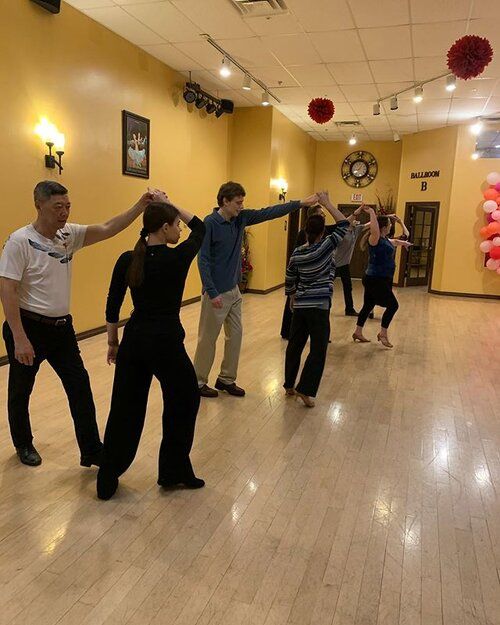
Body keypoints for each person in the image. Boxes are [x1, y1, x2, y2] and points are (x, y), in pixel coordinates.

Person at [0, 180, 158, 467]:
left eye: (68, 206)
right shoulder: (19, 241)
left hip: (61, 329)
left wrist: (140, 205)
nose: (64, 213)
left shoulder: (67, 235)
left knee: (80, 387)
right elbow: (7, 289)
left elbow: (108, 227)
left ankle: (91, 450)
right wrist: (19, 338)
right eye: (58, 206)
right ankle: (23, 444)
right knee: (21, 390)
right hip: (28, 327)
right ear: (39, 205)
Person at [97, 197, 206, 500]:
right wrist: (169, 201)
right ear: (163, 227)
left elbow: (112, 304)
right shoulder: (177, 257)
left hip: (134, 341)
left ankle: (107, 476)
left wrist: (112, 342)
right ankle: (173, 470)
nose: (181, 230)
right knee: (184, 400)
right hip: (166, 342)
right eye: (176, 225)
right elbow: (202, 227)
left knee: (124, 409)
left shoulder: (127, 258)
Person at [194, 181, 318, 398]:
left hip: (233, 291)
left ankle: (226, 379)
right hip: (216, 294)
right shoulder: (210, 223)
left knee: (236, 337)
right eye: (238, 202)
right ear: (224, 201)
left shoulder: (240, 218)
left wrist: (300, 203)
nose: (241, 206)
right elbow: (202, 260)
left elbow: (269, 212)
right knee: (207, 340)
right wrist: (212, 292)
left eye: (242, 202)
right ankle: (198, 381)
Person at [284, 194, 353, 408]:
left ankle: (289, 385)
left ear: (306, 231)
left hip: (301, 307)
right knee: (318, 348)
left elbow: (289, 278)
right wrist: (327, 203)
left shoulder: (297, 252)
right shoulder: (325, 247)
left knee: (295, 345)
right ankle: (305, 389)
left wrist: (292, 297)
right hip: (319, 307)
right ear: (322, 232)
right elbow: (344, 223)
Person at [352, 208, 411, 348]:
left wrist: (404, 243)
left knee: (368, 305)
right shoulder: (375, 238)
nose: (391, 226)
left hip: (377, 278)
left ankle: (357, 332)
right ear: (384, 227)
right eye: (390, 224)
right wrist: (372, 212)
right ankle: (383, 334)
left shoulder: (384, 239)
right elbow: (374, 229)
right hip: (376, 279)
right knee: (393, 305)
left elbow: (394, 242)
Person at [280, 204, 337, 340]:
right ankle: (288, 332)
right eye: (321, 214)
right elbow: (295, 262)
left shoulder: (325, 234)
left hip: (319, 288)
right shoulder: (303, 235)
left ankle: (318, 334)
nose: (324, 216)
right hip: (303, 278)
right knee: (294, 306)